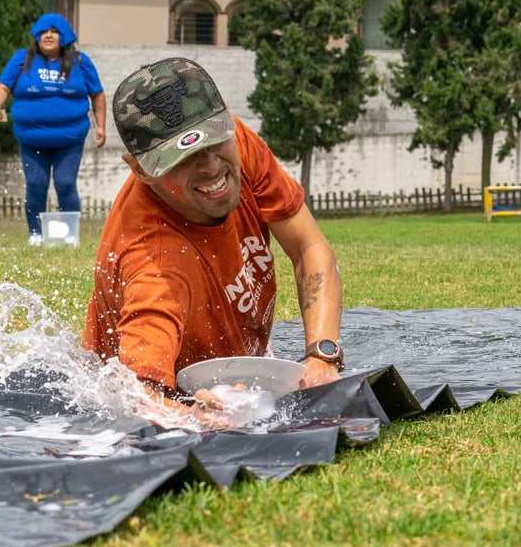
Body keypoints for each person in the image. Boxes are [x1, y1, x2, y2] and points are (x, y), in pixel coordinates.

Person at [83, 57, 343, 423]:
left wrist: (321, 355)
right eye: (182, 159)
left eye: (213, 141)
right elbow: (138, 395)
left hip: (234, 363)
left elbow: (308, 247)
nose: (210, 166)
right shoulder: (153, 261)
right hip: (164, 383)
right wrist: (188, 413)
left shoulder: (235, 142)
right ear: (140, 169)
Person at [0, 14, 107, 246]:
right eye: (43, 32)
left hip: (69, 138)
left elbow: (98, 94)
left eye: (54, 31)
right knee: (36, 184)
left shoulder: (81, 62)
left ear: (65, 37)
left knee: (64, 183)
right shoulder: (22, 60)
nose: (48, 36)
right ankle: (36, 234)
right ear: (36, 36)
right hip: (31, 138)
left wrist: (101, 126)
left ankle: (69, 235)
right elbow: (3, 86)